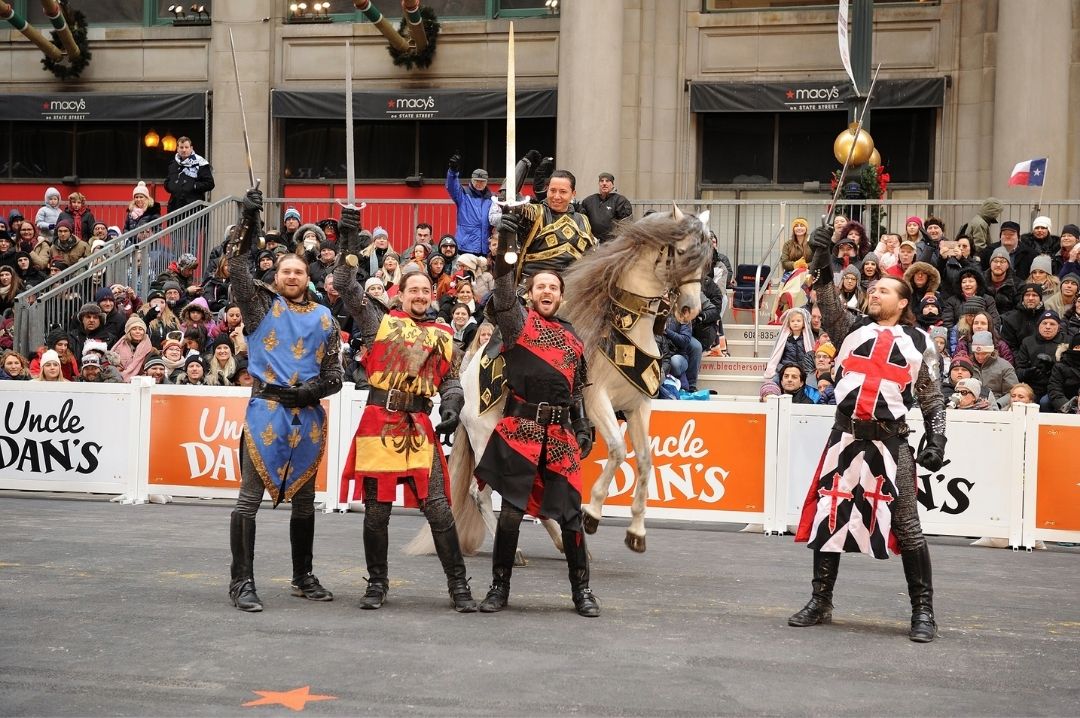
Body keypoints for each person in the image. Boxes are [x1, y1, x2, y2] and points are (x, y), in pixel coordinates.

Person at [791, 224, 948, 643]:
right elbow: (826, 299)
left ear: (902, 302)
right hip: (844, 436)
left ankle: (924, 611)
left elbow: (932, 398)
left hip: (890, 441)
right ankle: (820, 601)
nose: (873, 292)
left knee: (908, 526)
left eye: (883, 290)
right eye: (872, 288)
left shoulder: (920, 342)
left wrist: (936, 441)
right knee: (830, 515)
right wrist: (823, 261)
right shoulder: (852, 328)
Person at [332, 204, 474, 613]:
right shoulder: (379, 322)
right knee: (377, 512)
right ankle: (377, 584)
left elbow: (448, 380)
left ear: (432, 296)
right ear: (402, 293)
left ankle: (458, 585)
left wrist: (451, 403)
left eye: (425, 291)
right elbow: (344, 281)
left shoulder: (445, 335)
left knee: (437, 507)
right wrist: (349, 236)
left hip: (418, 424)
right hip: (380, 421)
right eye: (413, 290)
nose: (419, 295)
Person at [472, 214, 598, 617]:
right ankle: (498, 589)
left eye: (553, 287)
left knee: (572, 518)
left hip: (559, 436)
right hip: (518, 431)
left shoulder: (574, 337)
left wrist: (582, 425)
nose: (547, 291)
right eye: (541, 286)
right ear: (531, 294)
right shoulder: (516, 324)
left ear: (561, 296)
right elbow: (504, 288)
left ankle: (582, 593)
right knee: (509, 514)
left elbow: (576, 388)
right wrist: (509, 236)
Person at [225, 188, 344, 613]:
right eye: (285, 271)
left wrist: (313, 391)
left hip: (307, 415)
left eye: (298, 271)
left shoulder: (325, 317)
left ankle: (302, 576)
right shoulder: (259, 308)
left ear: (308, 275)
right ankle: (242, 582)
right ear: (276, 277)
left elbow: (335, 376)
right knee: (248, 500)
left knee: (306, 502)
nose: (291, 276)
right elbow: (238, 265)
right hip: (265, 412)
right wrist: (249, 220)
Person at [445, 152, 492, 256]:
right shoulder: (463, 194)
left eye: (482, 181)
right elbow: (451, 186)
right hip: (465, 247)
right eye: (476, 181)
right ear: (471, 180)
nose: (479, 184)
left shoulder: (492, 199)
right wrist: (453, 171)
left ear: (486, 182)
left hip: (485, 247)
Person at [164, 137, 215, 214]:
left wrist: (194, 185)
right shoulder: (173, 164)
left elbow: (210, 184)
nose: (184, 150)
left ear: (191, 148)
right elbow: (168, 180)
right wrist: (168, 185)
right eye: (181, 147)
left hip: (193, 209)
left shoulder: (200, 163)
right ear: (177, 148)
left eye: (186, 147)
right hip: (175, 208)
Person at [579, 172, 633, 244]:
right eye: (601, 181)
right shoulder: (589, 201)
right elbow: (582, 222)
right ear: (599, 184)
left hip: (612, 244)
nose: (604, 183)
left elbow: (625, 225)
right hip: (592, 244)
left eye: (607, 181)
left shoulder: (620, 201)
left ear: (612, 184)